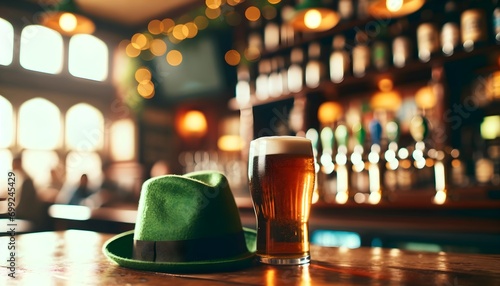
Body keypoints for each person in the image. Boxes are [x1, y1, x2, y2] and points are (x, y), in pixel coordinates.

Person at [11, 154, 51, 232]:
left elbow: (24, 203)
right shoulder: (22, 178)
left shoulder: (26, 180)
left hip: (28, 215)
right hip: (26, 213)